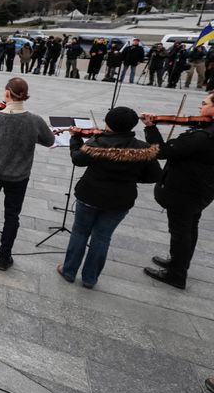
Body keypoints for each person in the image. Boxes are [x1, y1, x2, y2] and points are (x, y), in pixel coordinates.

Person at [56, 108, 160, 288]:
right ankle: (90, 278)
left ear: (109, 124)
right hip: (120, 200)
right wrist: (132, 178)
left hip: (89, 194)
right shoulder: (142, 148)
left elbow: (77, 159)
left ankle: (69, 270)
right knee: (102, 238)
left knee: (80, 233)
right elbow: (153, 175)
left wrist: (75, 139)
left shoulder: (98, 142)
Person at [0, 78, 55, 269]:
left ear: (7, 93)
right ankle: (4, 257)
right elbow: (49, 141)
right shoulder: (35, 120)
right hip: (19, 176)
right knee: (12, 216)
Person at [140, 93, 214, 289]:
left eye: (204, 104)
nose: (200, 107)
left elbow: (161, 151)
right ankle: (180, 263)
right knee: (190, 227)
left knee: (180, 232)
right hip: (203, 189)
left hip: (185, 191)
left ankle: (176, 274)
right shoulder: (206, 131)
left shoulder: (201, 137)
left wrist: (150, 127)